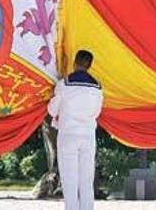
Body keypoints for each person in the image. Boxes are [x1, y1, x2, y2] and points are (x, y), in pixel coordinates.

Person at [48, 50, 103, 210]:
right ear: (90, 66)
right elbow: (96, 112)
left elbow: (52, 110)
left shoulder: (64, 84)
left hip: (68, 134)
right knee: (86, 179)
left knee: (69, 179)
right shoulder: (97, 87)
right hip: (88, 135)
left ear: (75, 62)